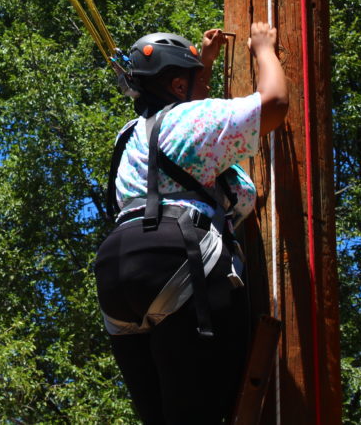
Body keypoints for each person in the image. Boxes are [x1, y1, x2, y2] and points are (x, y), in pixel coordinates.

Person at [94, 22, 288, 424]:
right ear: (179, 87)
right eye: (196, 79)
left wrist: (205, 62)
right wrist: (264, 49)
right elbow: (274, 103)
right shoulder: (191, 122)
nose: (204, 86)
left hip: (116, 272)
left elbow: (188, 119)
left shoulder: (128, 136)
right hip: (176, 258)